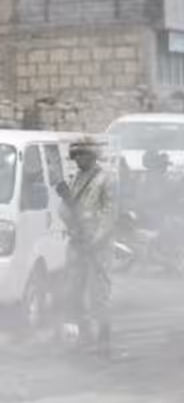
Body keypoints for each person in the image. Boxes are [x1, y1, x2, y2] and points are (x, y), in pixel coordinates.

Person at [57, 137, 118, 355]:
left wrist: (96, 239)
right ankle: (84, 334)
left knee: (98, 294)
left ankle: (104, 339)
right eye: (76, 155)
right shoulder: (75, 180)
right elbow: (64, 211)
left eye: (82, 154)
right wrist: (69, 215)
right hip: (77, 243)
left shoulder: (106, 179)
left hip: (97, 247)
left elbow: (110, 214)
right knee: (73, 291)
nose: (78, 159)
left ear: (92, 156)